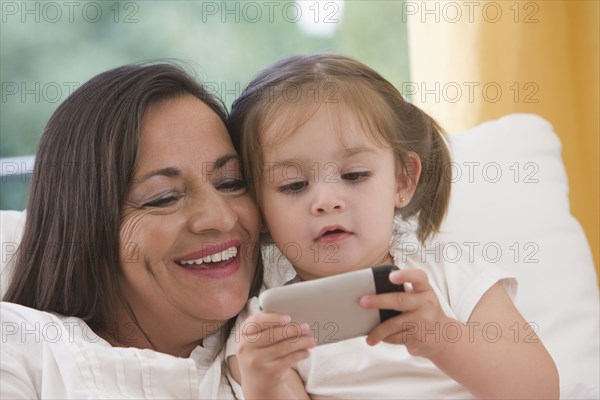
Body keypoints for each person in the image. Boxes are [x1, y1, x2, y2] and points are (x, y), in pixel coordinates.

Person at [226, 54, 559, 399]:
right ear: (259, 209)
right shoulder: (266, 326)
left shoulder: (450, 273)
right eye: (293, 185)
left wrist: (440, 336)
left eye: (354, 175)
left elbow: (540, 389)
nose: (326, 200)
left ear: (402, 180)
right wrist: (262, 384)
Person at [1, 62, 262, 398]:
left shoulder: (299, 320)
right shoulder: (20, 349)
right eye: (163, 198)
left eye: (231, 182)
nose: (221, 218)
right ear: (87, 228)